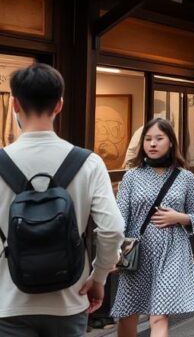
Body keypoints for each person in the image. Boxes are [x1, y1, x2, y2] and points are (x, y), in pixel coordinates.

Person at [0, 64, 123, 336]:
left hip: (8, 302)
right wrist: (98, 277)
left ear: (14, 104)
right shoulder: (89, 163)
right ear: (59, 105)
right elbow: (113, 229)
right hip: (69, 298)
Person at [113, 118, 194, 337]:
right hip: (137, 251)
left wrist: (178, 217)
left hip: (172, 250)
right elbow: (119, 217)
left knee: (159, 315)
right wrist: (114, 249)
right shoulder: (131, 177)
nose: (152, 144)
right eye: (148, 139)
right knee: (128, 312)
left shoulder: (185, 177)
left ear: (171, 142)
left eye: (158, 139)